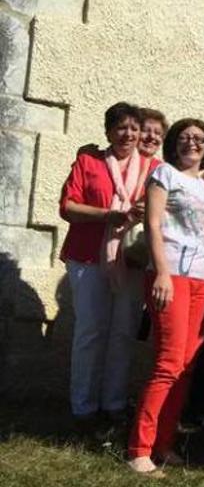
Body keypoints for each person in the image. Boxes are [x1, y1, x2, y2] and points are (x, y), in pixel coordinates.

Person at [60, 102, 160, 430]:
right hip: (88, 257)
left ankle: (114, 402)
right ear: (108, 132)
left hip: (131, 259)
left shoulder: (154, 168)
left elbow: (165, 212)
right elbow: (68, 207)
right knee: (90, 331)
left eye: (134, 128)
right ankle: (83, 405)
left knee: (123, 332)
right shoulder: (88, 161)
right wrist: (108, 216)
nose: (128, 134)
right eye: (120, 127)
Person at [124, 118, 204, 476]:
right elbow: (153, 224)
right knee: (168, 362)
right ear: (175, 143)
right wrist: (160, 271)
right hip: (171, 273)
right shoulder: (164, 175)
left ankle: (164, 442)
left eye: (200, 139)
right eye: (185, 137)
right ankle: (139, 448)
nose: (192, 143)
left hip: (202, 278)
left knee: (187, 366)